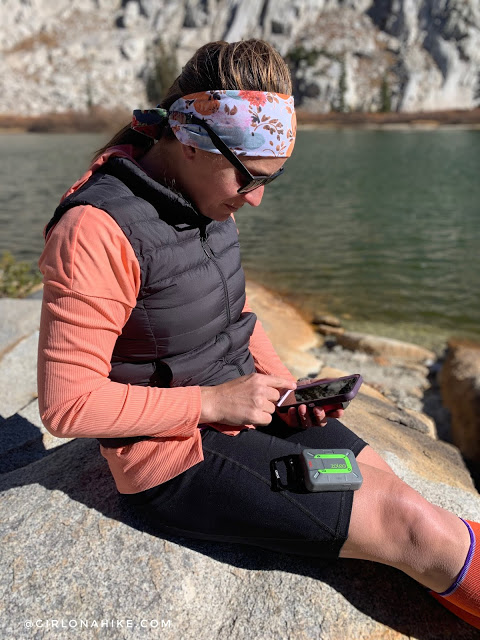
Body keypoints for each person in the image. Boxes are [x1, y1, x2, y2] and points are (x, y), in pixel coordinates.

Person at [37, 39, 479, 629]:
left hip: (242, 405)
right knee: (409, 525)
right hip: (171, 454)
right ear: (192, 142)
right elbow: (68, 406)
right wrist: (215, 401)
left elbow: (237, 315)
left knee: (395, 492)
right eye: (250, 178)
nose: (258, 198)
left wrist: (285, 389)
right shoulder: (95, 230)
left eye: (271, 178)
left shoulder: (208, 200)